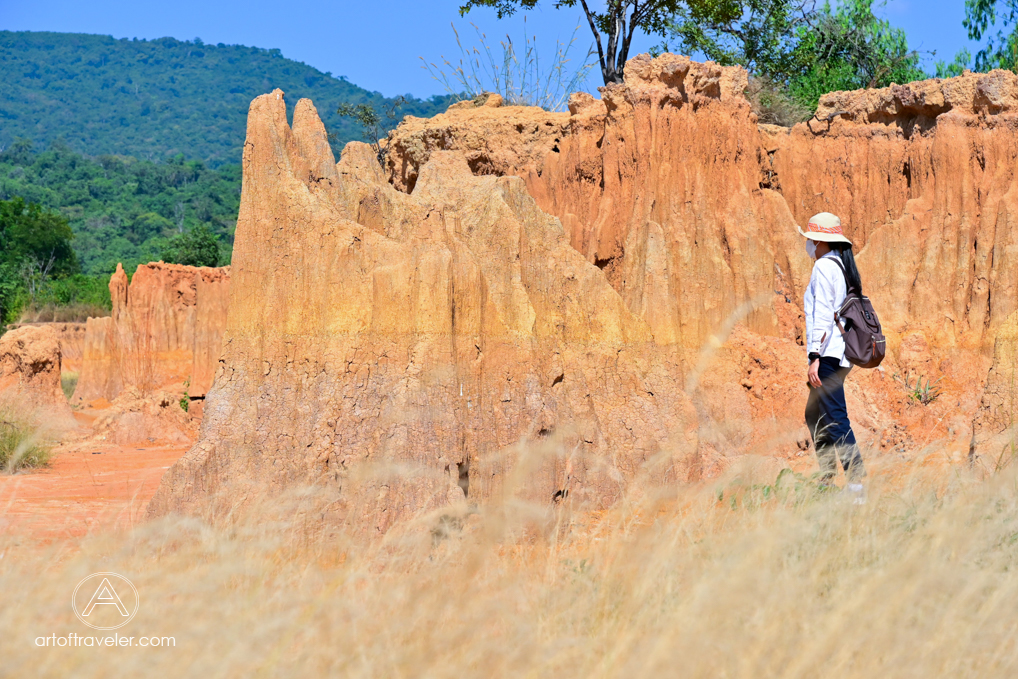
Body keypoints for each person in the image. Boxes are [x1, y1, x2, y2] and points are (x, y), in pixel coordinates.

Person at [798, 212, 866, 503]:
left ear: (822, 241)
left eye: (812, 239)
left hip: (828, 355)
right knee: (815, 414)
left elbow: (823, 315)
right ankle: (826, 480)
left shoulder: (824, 267)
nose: (810, 244)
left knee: (836, 418)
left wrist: (814, 355)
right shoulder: (841, 265)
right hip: (839, 355)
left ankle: (856, 487)